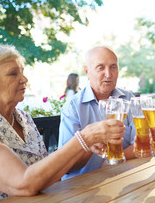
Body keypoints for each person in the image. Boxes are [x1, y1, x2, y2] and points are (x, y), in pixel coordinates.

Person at [0, 43, 125, 202]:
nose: (24, 79)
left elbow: (50, 175)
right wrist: (85, 138)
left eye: (22, 72)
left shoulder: (23, 118)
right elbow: (23, 184)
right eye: (13, 73)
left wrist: (86, 147)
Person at [58, 46, 136, 180]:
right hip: (81, 188)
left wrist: (113, 160)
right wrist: (88, 145)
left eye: (113, 67)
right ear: (87, 71)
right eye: (101, 68)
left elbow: (144, 142)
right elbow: (66, 165)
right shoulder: (73, 107)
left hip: (123, 179)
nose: (109, 74)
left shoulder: (130, 100)